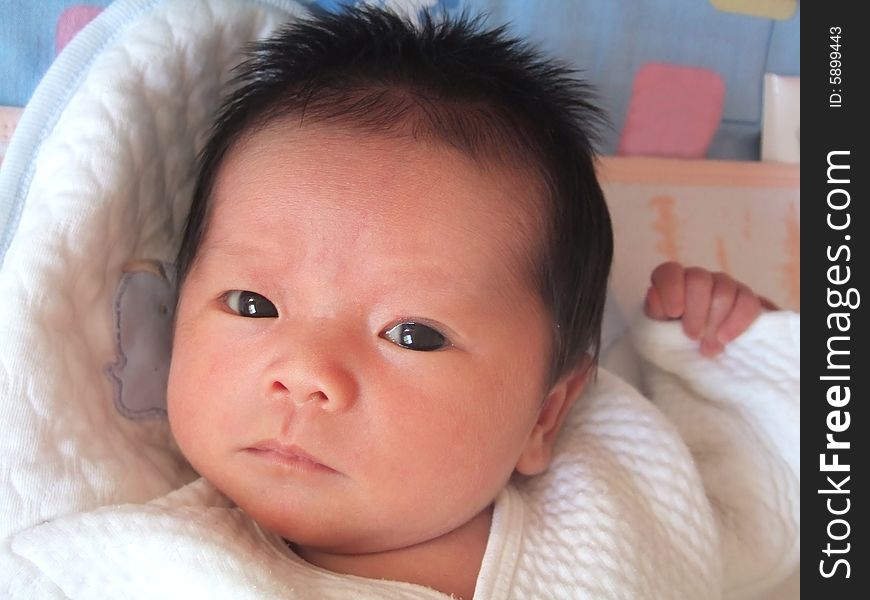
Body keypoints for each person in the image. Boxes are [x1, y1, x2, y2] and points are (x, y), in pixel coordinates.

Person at [166, 6, 799, 598]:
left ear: (545, 415)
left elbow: (778, 507)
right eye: (252, 304)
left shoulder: (612, 493)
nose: (305, 374)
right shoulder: (150, 555)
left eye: (412, 334)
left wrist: (733, 357)